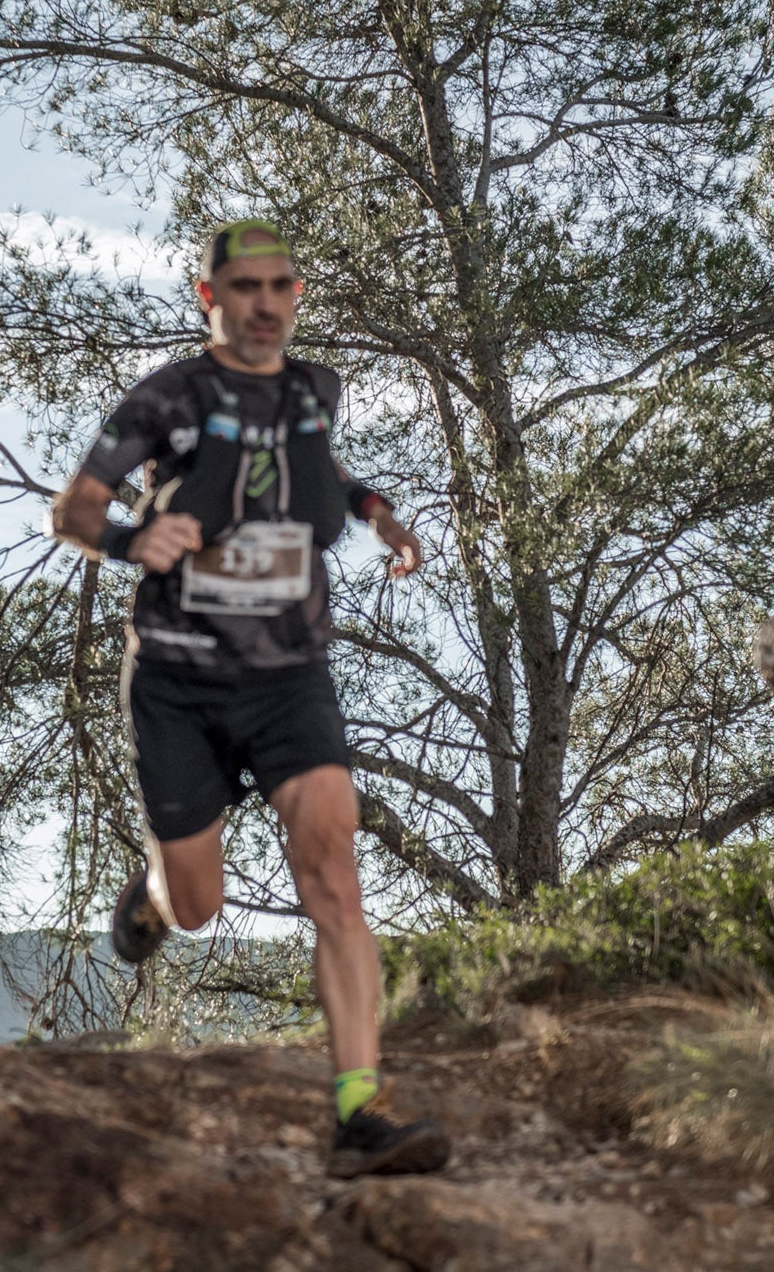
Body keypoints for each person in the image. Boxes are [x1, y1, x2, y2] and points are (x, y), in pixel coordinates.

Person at [49, 218, 450, 1179]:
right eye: (245, 288)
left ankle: (361, 1111)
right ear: (211, 298)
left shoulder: (317, 392)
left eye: (281, 287)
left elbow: (326, 475)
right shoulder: (169, 398)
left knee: (334, 874)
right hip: (180, 682)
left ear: (296, 295)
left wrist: (380, 516)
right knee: (198, 905)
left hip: (288, 674)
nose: (265, 304)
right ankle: (149, 893)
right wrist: (124, 543)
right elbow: (75, 507)